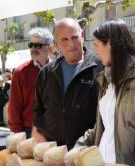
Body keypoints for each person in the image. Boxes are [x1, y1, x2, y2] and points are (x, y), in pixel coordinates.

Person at [75, 20, 135, 166]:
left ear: (109, 43)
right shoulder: (105, 78)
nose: (96, 52)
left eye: (97, 45)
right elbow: (101, 127)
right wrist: (77, 148)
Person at [33, 18, 103, 148]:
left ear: (82, 36)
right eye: (64, 40)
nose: (71, 44)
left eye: (75, 37)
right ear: (56, 44)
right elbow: (39, 111)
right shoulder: (46, 73)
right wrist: (39, 136)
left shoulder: (101, 69)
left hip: (88, 152)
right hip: (52, 152)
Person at [8, 28, 54, 138]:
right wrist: (17, 133)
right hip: (28, 131)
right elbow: (14, 106)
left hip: (54, 130)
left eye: (37, 45)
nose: (33, 48)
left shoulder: (58, 69)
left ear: (49, 47)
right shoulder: (20, 72)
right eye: (31, 45)